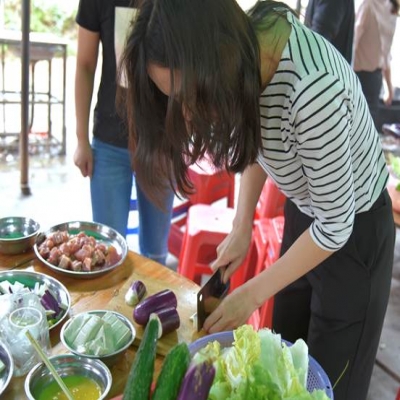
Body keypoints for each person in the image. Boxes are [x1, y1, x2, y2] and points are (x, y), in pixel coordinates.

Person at [118, 1, 395, 399]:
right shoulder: (245, 53)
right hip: (308, 221)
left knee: (330, 385)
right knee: (284, 372)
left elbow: (337, 225)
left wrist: (252, 292)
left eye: (188, 95)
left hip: (353, 238)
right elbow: (257, 138)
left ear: (214, 56)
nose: (188, 114)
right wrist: (242, 221)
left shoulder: (313, 90)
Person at [73, 0, 175, 265]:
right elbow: (84, 64)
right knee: (106, 253)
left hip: (161, 143)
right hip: (108, 141)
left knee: (155, 254)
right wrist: (81, 140)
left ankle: (150, 307)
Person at [353, 0, 399, 130]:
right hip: (375, 80)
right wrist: (389, 88)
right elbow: (386, 54)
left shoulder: (368, 5)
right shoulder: (392, 9)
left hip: (358, 77)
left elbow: (353, 43)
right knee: (366, 131)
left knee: (353, 128)